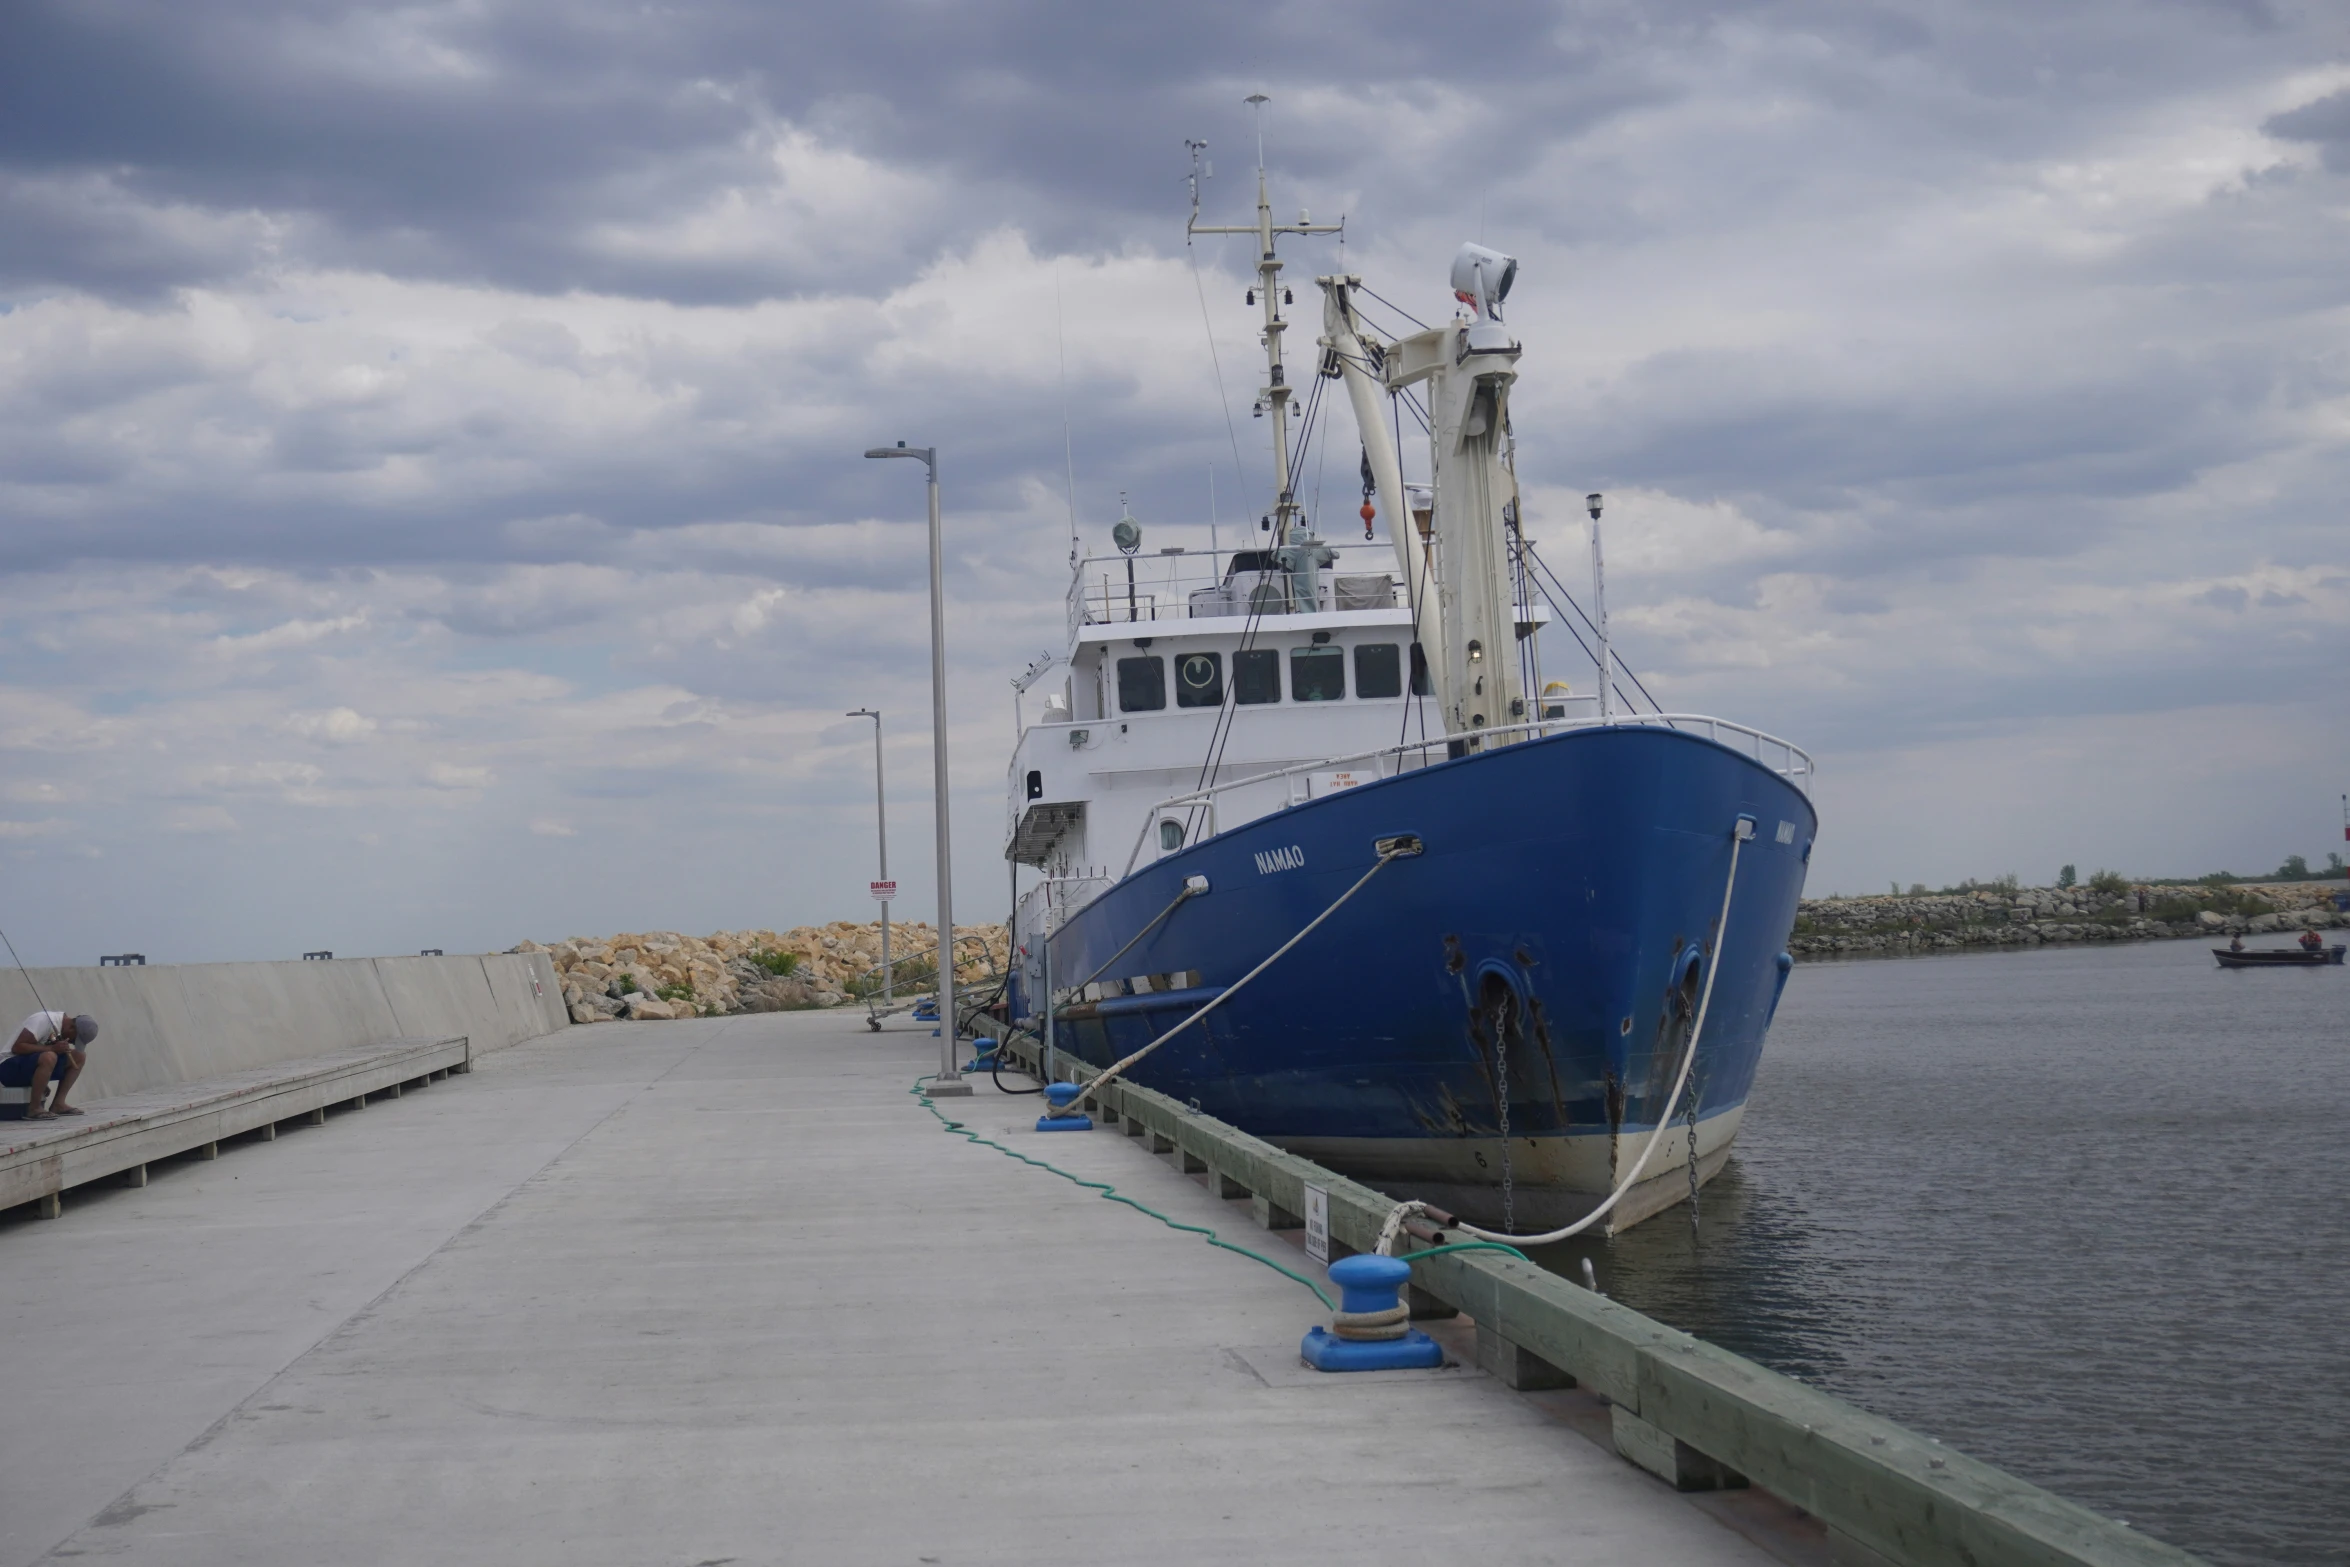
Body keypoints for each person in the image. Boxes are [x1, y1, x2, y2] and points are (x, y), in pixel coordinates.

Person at [4, 1010, 96, 1120]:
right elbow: (18, 1047)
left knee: (79, 1057)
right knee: (49, 1056)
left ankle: (58, 1104)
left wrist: (40, 1081)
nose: (72, 1043)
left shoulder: (61, 1028)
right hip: (7, 1068)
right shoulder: (43, 1020)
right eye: (74, 1039)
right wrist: (52, 1048)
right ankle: (34, 1108)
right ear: (71, 1028)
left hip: (27, 1067)